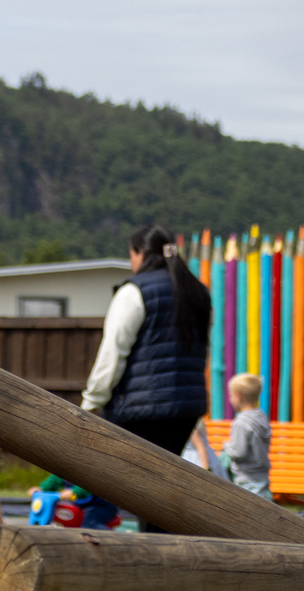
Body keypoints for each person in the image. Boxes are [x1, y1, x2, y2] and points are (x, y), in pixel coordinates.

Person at [80, 224, 214, 530]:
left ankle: (101, 536)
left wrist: (92, 401)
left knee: (109, 479)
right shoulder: (197, 292)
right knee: (161, 490)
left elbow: (114, 350)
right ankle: (166, 549)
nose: (131, 263)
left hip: (143, 408)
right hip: (185, 408)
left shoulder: (135, 291)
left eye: (132, 255)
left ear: (140, 254)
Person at [221, 373, 272, 500]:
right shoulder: (261, 417)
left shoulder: (241, 422)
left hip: (246, 478)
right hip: (262, 476)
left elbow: (239, 453)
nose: (230, 399)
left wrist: (227, 447)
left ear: (238, 396)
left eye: (231, 395)